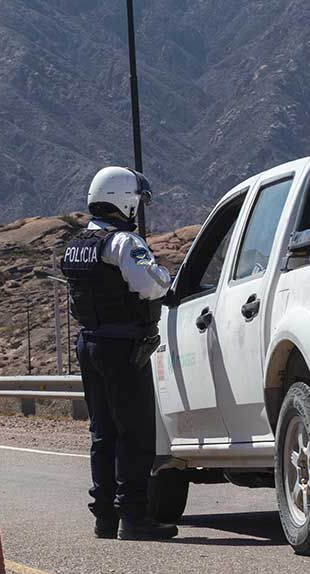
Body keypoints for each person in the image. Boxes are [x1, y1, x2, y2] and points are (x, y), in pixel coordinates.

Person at [61, 166, 177, 540]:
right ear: (124, 200)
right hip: (123, 346)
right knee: (135, 432)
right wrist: (165, 276)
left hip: (90, 343)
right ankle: (135, 516)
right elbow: (149, 285)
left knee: (102, 432)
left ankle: (105, 517)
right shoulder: (124, 243)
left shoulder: (76, 245)